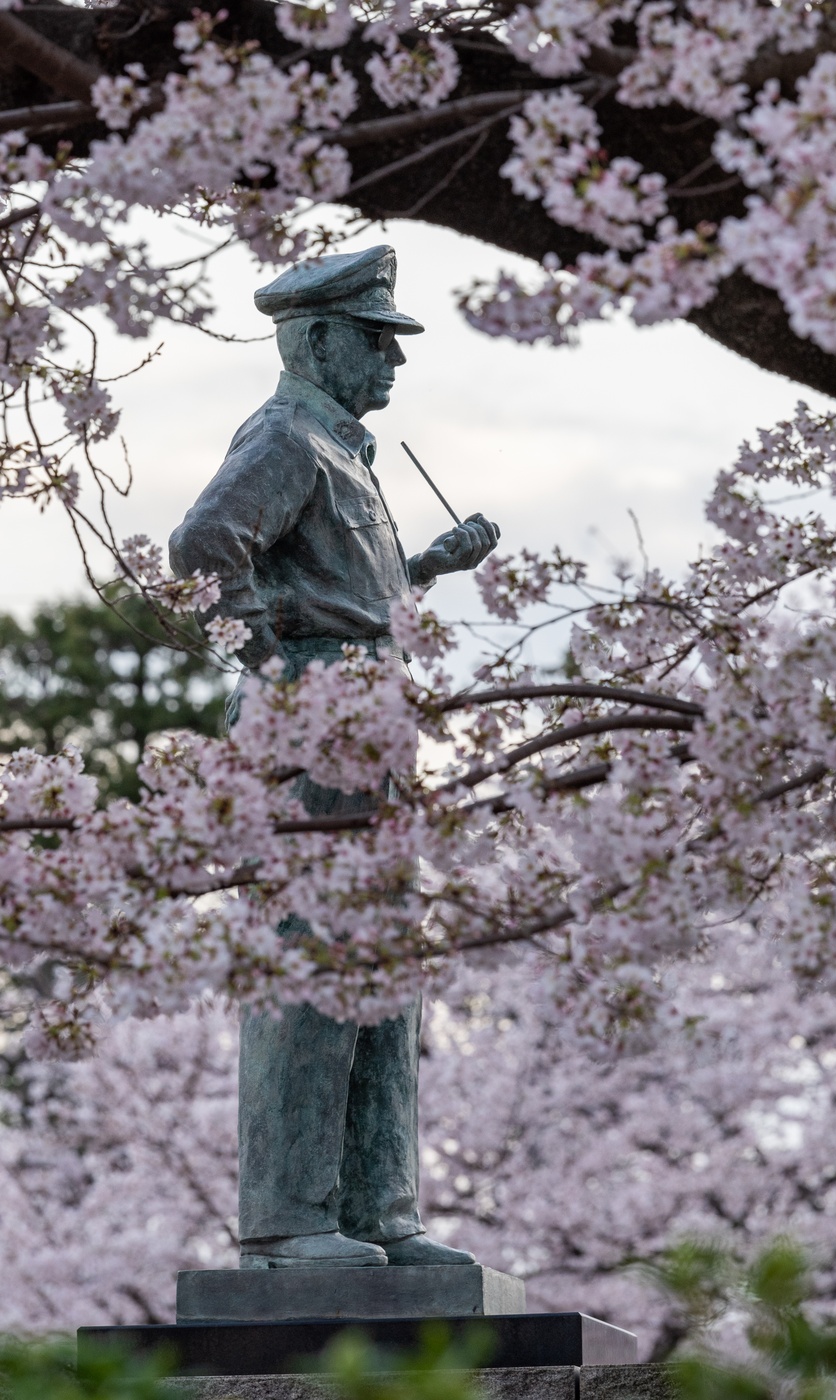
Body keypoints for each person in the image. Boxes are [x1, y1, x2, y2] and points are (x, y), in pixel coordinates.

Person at [169, 245, 500, 1269]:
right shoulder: (286, 436)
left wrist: (427, 569)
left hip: (376, 724)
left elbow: (342, 587)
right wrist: (277, 668)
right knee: (312, 958)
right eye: (374, 341)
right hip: (316, 723)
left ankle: (378, 1210)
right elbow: (201, 547)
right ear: (316, 340)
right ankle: (289, 1217)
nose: (392, 363)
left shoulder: (347, 451)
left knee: (385, 964)